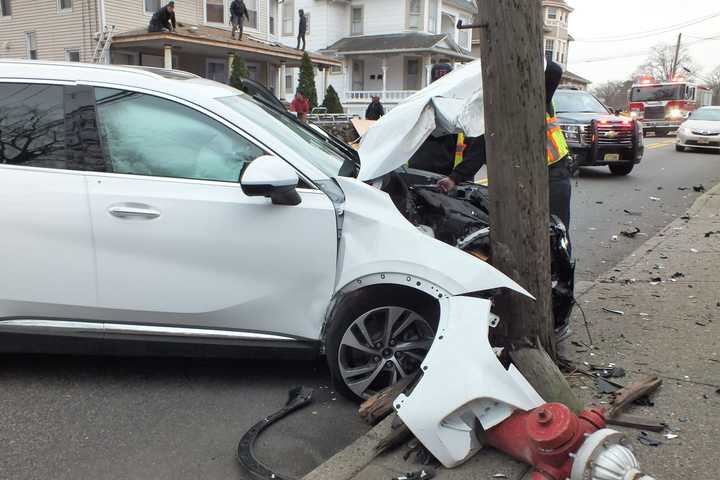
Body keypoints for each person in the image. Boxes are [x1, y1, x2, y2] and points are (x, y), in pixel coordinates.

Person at [545, 59, 572, 230]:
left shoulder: (541, 98)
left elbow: (554, 69)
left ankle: (564, 257)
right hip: (526, 177)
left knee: (558, 229)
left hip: (554, 172)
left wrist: (539, 56)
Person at [408, 134, 486, 192]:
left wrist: (455, 178)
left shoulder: (462, 121)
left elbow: (479, 149)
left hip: (450, 185)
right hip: (413, 179)